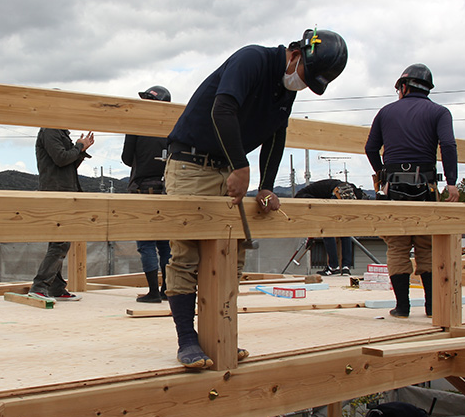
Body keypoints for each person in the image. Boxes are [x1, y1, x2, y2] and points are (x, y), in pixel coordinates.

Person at [164, 28, 349, 368]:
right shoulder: (253, 60)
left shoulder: (285, 90)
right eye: (306, 76)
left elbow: (277, 136)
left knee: (231, 256)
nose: (303, 85)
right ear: (295, 53)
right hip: (192, 164)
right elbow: (223, 109)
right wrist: (240, 165)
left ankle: (220, 335)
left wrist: (265, 186)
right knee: (187, 254)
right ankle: (187, 339)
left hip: (228, 169)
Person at [365, 64, 459, 318]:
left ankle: (402, 307)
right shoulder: (440, 112)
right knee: (426, 245)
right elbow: (448, 145)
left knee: (397, 245)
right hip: (425, 185)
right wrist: (452, 181)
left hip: (392, 187)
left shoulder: (386, 112)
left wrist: (382, 173)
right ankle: (431, 306)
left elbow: (371, 148)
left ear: (404, 87)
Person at [28, 127, 95, 302]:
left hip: (64, 191)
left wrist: (80, 150)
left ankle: (56, 287)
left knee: (60, 240)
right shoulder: (50, 130)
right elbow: (60, 158)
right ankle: (39, 286)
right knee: (60, 242)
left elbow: (69, 165)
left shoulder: (59, 132)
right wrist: (79, 147)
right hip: (56, 192)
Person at [122, 85, 173, 303]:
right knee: (165, 244)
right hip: (168, 190)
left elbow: (126, 158)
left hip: (143, 189)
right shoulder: (174, 127)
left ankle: (153, 292)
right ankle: (167, 290)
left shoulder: (137, 124)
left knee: (146, 244)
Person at [293, 179, 365, 275]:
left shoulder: (302, 198)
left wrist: (311, 236)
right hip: (347, 191)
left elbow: (316, 213)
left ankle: (333, 266)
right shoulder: (312, 191)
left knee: (327, 231)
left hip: (338, 192)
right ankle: (345, 267)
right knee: (344, 231)